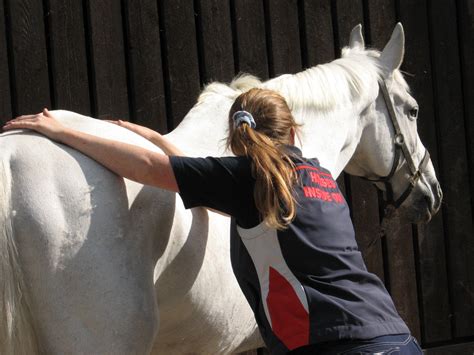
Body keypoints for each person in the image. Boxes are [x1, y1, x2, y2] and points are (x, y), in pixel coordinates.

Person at [2, 88, 422, 354]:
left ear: (236, 139)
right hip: (393, 337)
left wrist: (64, 131)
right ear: (292, 132)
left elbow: (152, 170)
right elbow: (211, 183)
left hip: (337, 347)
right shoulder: (317, 176)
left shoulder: (248, 180)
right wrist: (159, 140)